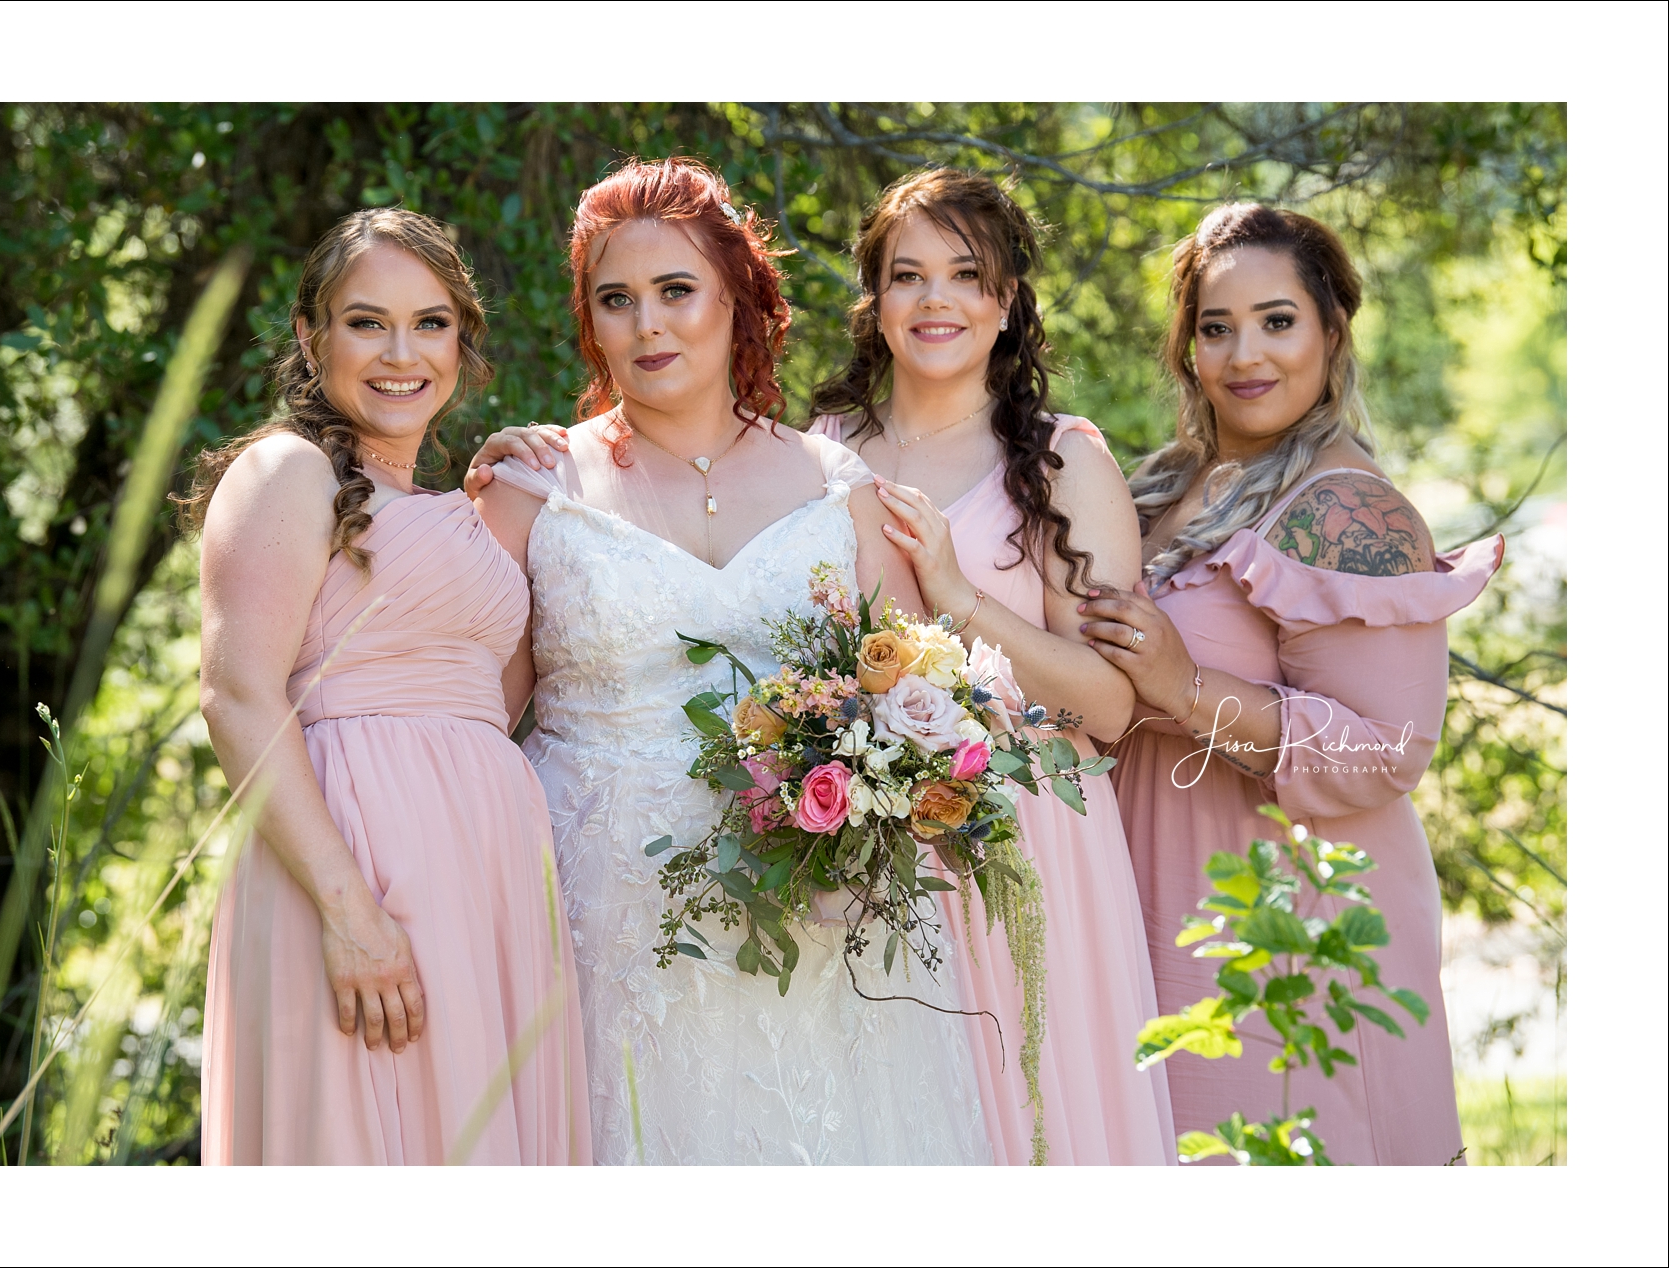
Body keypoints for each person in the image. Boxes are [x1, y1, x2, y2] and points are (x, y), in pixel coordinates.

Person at [470, 158, 992, 1165]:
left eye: (676, 292)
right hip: (604, 921)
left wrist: (872, 809)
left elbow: (913, 690)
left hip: (823, 912)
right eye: (615, 301)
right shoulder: (534, 487)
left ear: (738, 301)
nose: (647, 326)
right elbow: (467, 720)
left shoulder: (835, 484)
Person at [1082, 203, 1502, 1164]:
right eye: (1216, 327)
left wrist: (1187, 689)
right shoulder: (1164, 483)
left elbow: (1389, 749)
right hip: (1151, 883)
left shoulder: (1351, 508)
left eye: (1277, 321)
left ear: (1331, 330)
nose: (1244, 355)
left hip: (1287, 906)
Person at [190, 208, 590, 1165]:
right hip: (347, 870)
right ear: (310, 334)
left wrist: (496, 505)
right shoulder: (285, 471)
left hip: (486, 875)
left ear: (462, 338)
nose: (401, 352)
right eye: (367, 322)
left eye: (431, 323)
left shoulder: (456, 509)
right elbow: (237, 695)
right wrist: (350, 913)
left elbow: (490, 705)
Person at [807, 168, 1174, 1165]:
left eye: (966, 275)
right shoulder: (818, 454)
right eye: (907, 275)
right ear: (875, 300)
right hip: (861, 834)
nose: (935, 301)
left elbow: (1109, 704)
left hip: (1027, 830)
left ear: (1005, 301)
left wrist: (957, 593)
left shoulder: (1061, 462)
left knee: (1034, 1119)